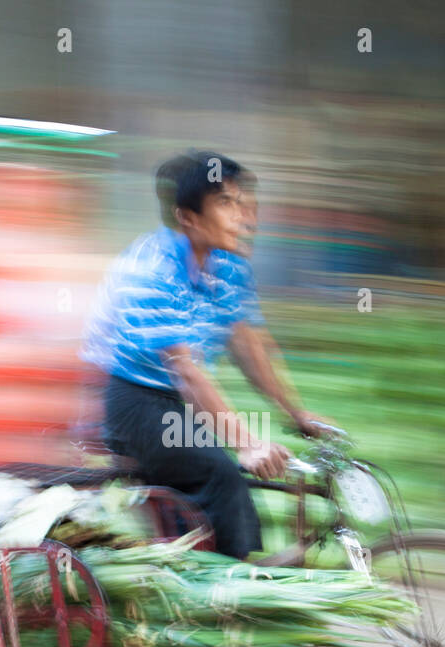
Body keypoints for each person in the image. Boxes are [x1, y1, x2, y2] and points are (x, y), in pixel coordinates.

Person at [80, 150, 328, 560]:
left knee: (228, 478)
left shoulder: (229, 268)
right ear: (189, 218)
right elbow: (187, 372)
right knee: (222, 472)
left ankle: (209, 564)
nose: (244, 216)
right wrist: (248, 444)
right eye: (226, 203)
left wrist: (295, 414)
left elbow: (248, 345)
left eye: (244, 203)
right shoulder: (151, 269)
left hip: (177, 406)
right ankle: (229, 592)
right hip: (133, 401)